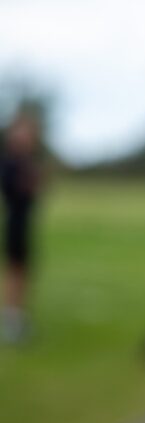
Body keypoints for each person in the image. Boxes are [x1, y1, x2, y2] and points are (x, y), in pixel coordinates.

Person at [1, 110, 42, 343]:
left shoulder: (26, 162)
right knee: (14, 271)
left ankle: (18, 315)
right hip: (14, 223)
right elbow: (15, 192)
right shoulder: (10, 162)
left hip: (25, 223)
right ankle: (11, 319)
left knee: (24, 270)